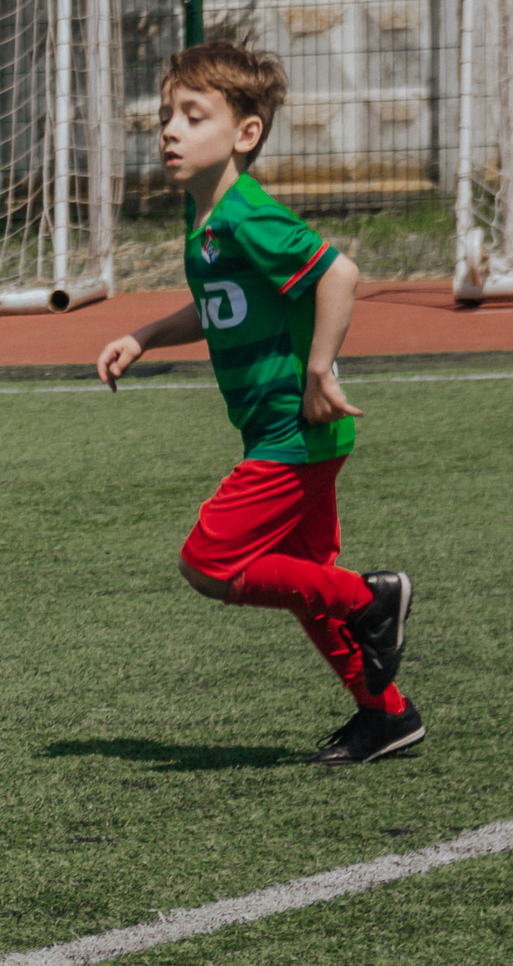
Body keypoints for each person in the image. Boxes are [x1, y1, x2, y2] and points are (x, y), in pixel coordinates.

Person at [94, 42, 417, 766]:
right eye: (165, 116)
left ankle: (374, 600)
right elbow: (221, 308)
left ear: (246, 134)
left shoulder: (244, 215)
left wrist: (319, 370)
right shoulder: (208, 221)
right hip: (285, 432)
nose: (169, 131)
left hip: (292, 429)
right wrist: (146, 335)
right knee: (310, 588)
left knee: (210, 563)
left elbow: (339, 272)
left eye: (192, 115)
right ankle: (387, 716)